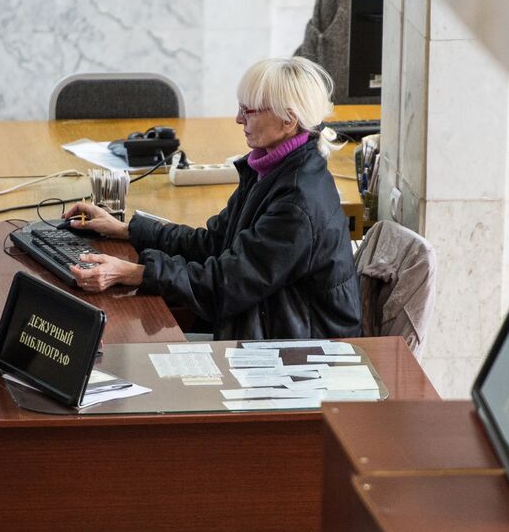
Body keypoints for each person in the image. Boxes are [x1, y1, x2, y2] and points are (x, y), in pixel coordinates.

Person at [61, 57, 362, 341]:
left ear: (288, 121)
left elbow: (225, 284)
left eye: (249, 111)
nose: (237, 118)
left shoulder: (297, 201)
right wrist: (126, 229)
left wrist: (134, 273)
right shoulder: (271, 170)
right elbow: (214, 244)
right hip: (268, 329)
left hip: (300, 355)